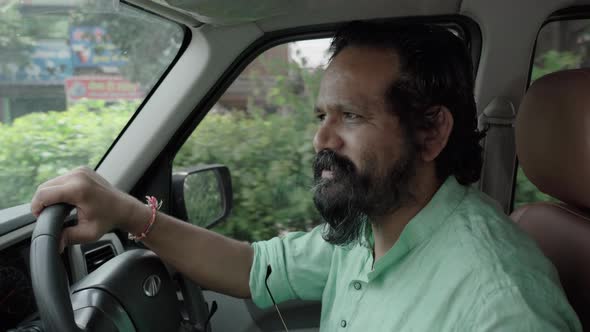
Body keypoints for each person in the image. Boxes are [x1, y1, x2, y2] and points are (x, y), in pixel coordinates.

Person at [31, 22, 581, 331]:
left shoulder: (502, 305)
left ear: (431, 132)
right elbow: (254, 268)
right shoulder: (367, 228)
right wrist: (128, 214)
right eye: (322, 116)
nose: (321, 140)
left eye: (352, 116)